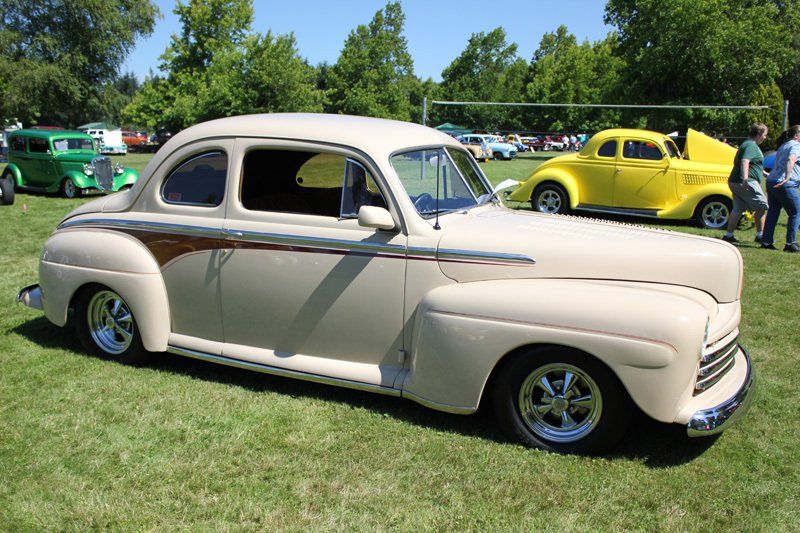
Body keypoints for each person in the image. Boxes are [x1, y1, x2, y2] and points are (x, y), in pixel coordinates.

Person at [722, 123, 769, 244]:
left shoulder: (746, 144)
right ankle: (760, 236)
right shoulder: (751, 145)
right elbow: (745, 161)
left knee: (738, 209)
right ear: (758, 134)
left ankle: (728, 235)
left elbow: (753, 164)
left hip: (734, 181)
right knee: (763, 205)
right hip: (745, 181)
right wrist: (745, 179)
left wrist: (764, 173)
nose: (765, 137)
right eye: (764, 135)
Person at [761, 125, 800, 252]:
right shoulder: (795, 145)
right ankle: (790, 243)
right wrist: (788, 177)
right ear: (796, 135)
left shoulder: (783, 145)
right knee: (795, 212)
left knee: (773, 212)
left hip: (771, 181)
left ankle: (766, 242)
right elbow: (791, 159)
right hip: (785, 184)